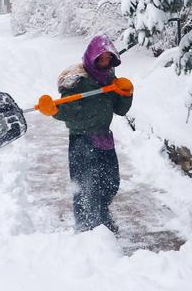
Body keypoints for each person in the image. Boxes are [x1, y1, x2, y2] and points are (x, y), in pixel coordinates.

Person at [37, 34, 134, 233]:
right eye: (101, 57)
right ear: (92, 57)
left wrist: (126, 94)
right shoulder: (78, 82)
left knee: (110, 183)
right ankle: (87, 228)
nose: (105, 61)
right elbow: (70, 111)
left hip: (104, 138)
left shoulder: (109, 79)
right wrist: (54, 110)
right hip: (82, 139)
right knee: (86, 187)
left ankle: (102, 214)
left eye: (108, 57)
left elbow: (120, 110)